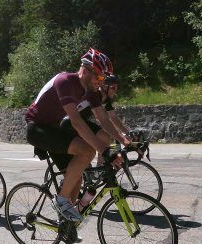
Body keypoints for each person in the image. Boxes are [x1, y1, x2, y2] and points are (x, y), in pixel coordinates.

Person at [25, 48, 130, 223]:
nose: (101, 82)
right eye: (99, 76)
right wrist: (104, 151)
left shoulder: (91, 91)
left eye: (103, 78)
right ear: (86, 70)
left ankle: (66, 225)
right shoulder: (65, 81)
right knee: (87, 152)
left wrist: (125, 140)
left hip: (54, 129)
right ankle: (61, 200)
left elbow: (103, 119)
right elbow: (76, 122)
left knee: (76, 176)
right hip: (36, 129)